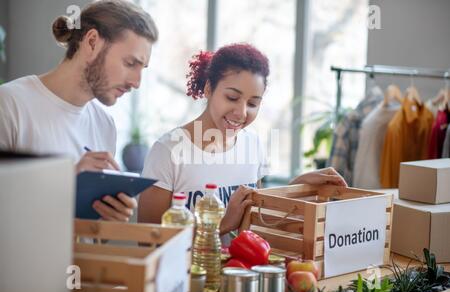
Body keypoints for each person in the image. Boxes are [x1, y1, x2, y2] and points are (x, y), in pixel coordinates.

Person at [138, 43, 346, 238]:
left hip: (238, 273)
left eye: (253, 103)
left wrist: (298, 186)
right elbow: (147, 240)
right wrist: (222, 224)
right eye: (232, 98)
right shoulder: (168, 151)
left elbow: (254, 215)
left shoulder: (252, 145)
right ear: (209, 89)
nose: (241, 113)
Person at [0, 0, 158, 222]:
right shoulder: (9, 105)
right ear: (92, 42)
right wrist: (66, 184)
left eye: (143, 69)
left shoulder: (105, 125)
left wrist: (109, 217)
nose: (137, 82)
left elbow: (93, 235)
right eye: (130, 63)